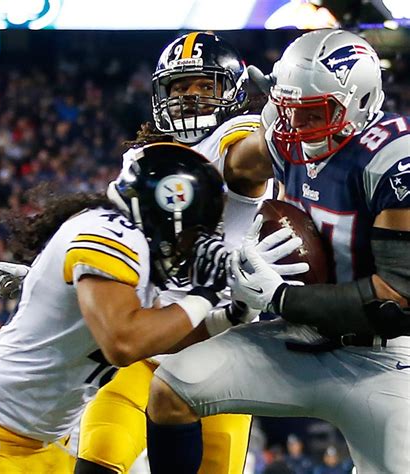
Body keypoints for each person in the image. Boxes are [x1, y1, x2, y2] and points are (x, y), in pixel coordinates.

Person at [0, 32, 298, 474]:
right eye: (180, 87)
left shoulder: (236, 138)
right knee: (97, 463)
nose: (190, 97)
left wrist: (287, 119)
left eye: (204, 85)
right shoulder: (144, 159)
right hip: (148, 348)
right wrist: (52, 281)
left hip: (222, 350)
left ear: (232, 92)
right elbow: (110, 242)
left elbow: (256, 157)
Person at [145, 28, 410, 474]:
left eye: (313, 113)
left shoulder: (394, 160)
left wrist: (280, 297)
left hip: (384, 358)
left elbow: (397, 302)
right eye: (290, 112)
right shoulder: (284, 136)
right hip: (299, 338)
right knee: (172, 388)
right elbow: (213, 173)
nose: (298, 128)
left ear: (359, 101)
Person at [0, 143, 229, 474]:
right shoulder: (111, 233)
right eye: (192, 233)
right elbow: (124, 343)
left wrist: (230, 315)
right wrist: (204, 295)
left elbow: (158, 337)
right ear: (169, 213)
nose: (190, 247)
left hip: (48, 440)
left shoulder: (132, 248)